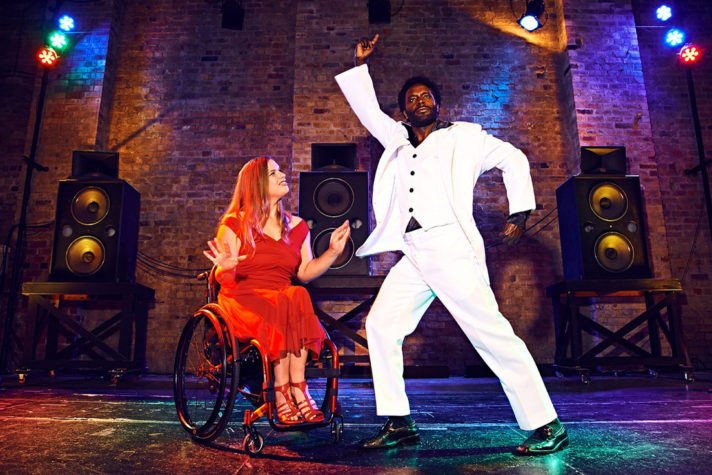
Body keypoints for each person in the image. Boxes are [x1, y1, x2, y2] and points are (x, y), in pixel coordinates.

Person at [334, 35, 568, 454]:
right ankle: (398, 421)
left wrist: (519, 212)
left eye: (426, 96)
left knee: (490, 334)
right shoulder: (397, 139)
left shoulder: (464, 137)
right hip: (412, 252)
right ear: (404, 111)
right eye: (411, 99)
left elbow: (513, 158)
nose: (419, 101)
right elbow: (367, 110)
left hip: (450, 248)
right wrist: (358, 64)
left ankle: (547, 424)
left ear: (438, 105)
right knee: (381, 324)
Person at [203, 156, 350, 425]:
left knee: (296, 294)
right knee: (286, 301)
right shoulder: (235, 223)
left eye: (280, 171)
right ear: (255, 183)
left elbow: (304, 273)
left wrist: (332, 252)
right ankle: (282, 391)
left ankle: (298, 386)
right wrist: (225, 267)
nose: (282, 175)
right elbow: (224, 278)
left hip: (283, 298)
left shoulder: (297, 226)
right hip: (243, 299)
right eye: (273, 173)